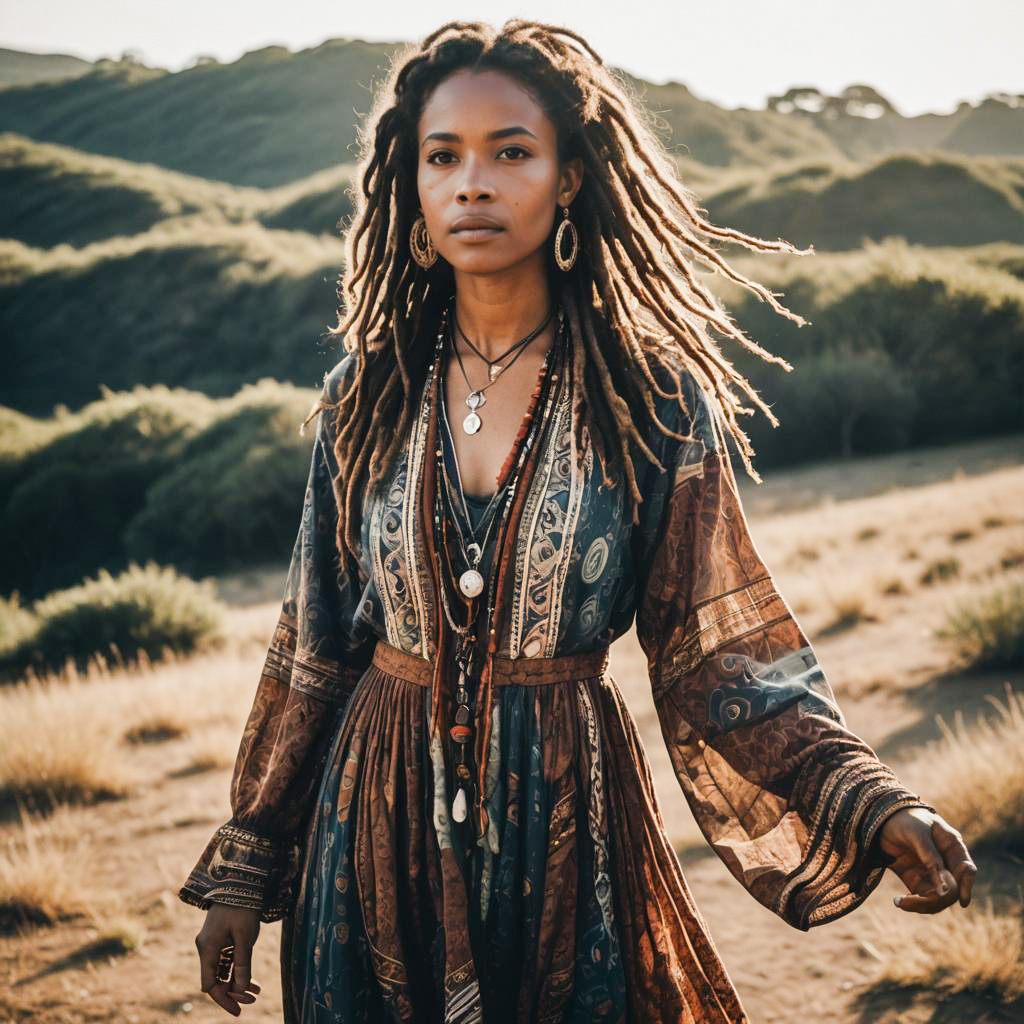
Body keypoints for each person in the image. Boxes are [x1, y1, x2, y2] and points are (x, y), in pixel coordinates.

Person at [179, 19, 977, 1023]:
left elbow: (715, 655)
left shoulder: (647, 399)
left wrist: (865, 798)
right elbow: (313, 647)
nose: (473, 181)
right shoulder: (363, 394)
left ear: (567, 178)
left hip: (566, 825)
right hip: (369, 832)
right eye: (443, 156)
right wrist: (248, 866)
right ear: (411, 188)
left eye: (510, 151)